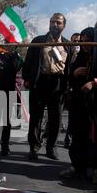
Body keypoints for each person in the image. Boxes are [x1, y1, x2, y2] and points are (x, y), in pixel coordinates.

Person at [61, 27, 97, 185]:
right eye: (82, 41)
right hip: (81, 106)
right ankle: (77, 166)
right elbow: (71, 78)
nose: (85, 45)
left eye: (88, 41)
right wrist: (75, 73)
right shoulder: (80, 57)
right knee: (78, 137)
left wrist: (95, 83)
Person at [22, 13, 73, 161]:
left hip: (58, 84)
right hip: (40, 82)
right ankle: (34, 147)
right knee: (36, 117)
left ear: (64, 26)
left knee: (55, 118)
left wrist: (68, 85)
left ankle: (51, 148)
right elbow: (28, 61)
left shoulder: (67, 44)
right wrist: (27, 78)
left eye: (58, 23)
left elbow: (69, 67)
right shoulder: (38, 41)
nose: (55, 25)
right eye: (52, 22)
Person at [0, 47, 23, 156]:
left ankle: (5, 145)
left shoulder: (17, 58)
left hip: (9, 92)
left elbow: (17, 68)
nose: (9, 46)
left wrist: (13, 56)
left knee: (7, 122)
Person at [63, 32, 81, 149]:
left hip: (77, 88)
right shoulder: (67, 53)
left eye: (78, 42)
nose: (76, 44)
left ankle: (70, 139)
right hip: (66, 87)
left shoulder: (82, 54)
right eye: (74, 42)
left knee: (74, 115)